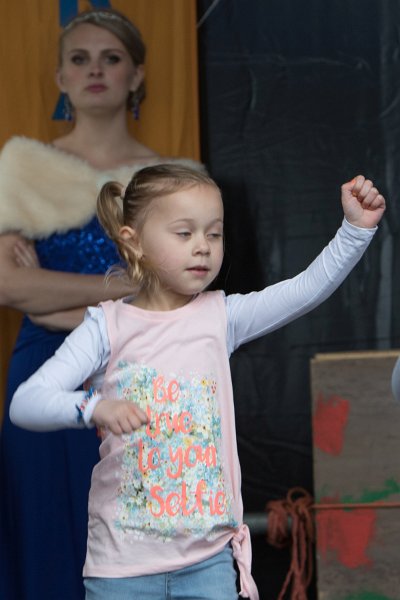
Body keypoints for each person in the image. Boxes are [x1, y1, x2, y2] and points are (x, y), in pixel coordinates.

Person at [9, 165, 385, 600]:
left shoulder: (221, 316)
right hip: (122, 569)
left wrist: (354, 232)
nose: (203, 247)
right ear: (133, 240)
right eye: (184, 233)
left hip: (207, 565)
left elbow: (304, 290)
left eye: (215, 233)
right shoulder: (105, 326)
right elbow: (26, 402)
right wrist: (94, 407)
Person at [0, 8, 202, 600]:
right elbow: (12, 290)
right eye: (79, 59)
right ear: (60, 78)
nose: (95, 71)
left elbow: (178, 293)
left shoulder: (172, 179)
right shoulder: (21, 168)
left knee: (137, 544)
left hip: (144, 379)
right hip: (45, 375)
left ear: (136, 75)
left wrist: (56, 297)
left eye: (111, 58)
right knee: (48, 535)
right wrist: (123, 287)